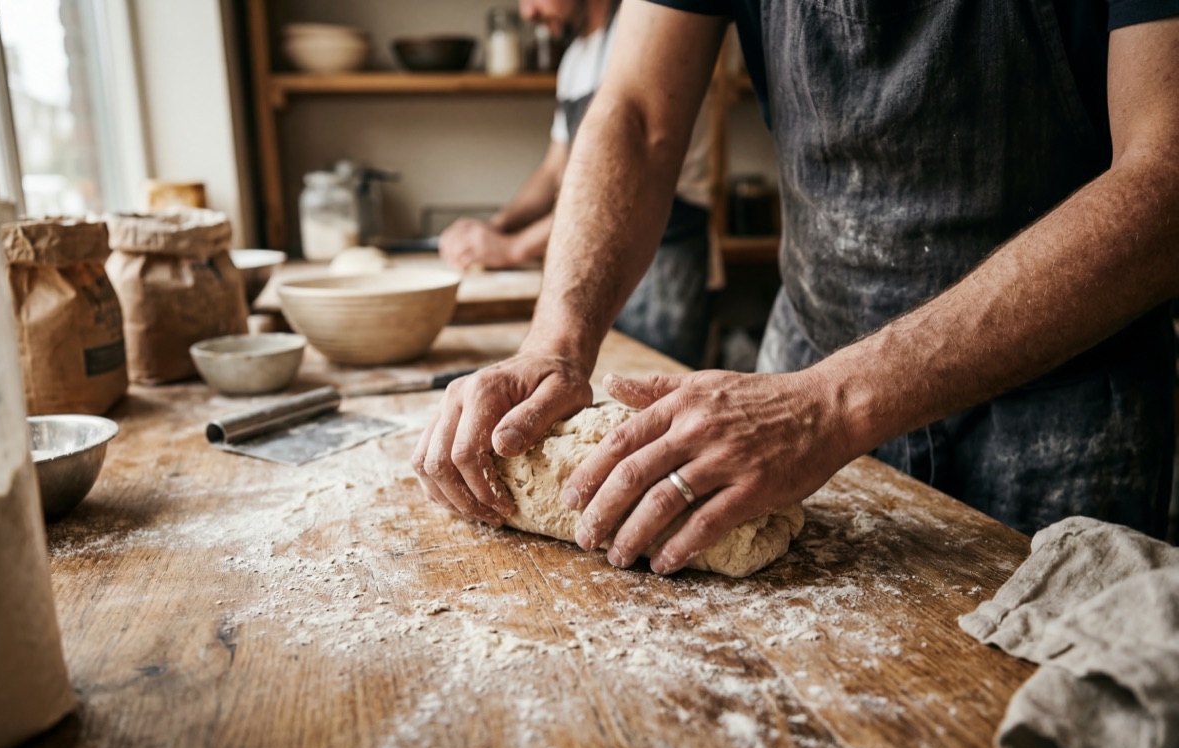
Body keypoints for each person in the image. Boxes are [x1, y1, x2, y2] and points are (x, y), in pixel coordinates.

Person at [414, 0, 1179, 575]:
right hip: (804, 360)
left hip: (1063, 409)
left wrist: (833, 403)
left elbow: (1166, 176)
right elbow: (638, 110)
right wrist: (554, 341)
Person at [437, 0, 715, 369]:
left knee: (654, 393)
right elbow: (556, 169)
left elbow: (625, 182)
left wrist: (515, 248)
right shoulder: (575, 59)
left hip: (665, 259)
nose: (527, 13)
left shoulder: (650, 37)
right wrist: (499, 225)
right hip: (597, 252)